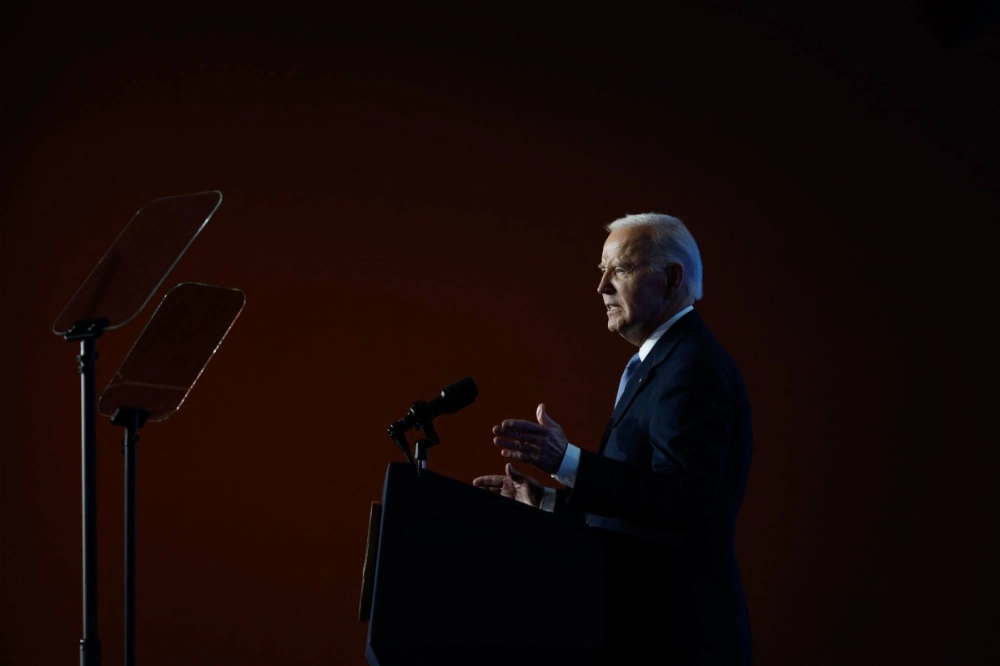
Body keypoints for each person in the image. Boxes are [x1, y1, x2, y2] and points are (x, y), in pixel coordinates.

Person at [473, 213, 753, 665]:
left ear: (671, 279)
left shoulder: (693, 369)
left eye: (620, 270)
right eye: (601, 271)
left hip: (677, 636)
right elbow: (636, 513)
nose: (601, 287)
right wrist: (547, 502)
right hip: (642, 630)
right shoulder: (661, 360)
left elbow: (678, 503)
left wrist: (566, 461)